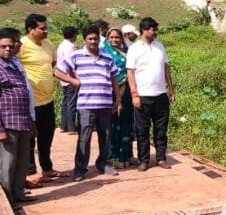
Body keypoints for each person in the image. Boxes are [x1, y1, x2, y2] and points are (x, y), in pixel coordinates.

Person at [55, 25, 121, 182]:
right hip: (86, 105)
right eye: (90, 39)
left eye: (96, 38)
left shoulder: (107, 57)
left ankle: (102, 164)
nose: (93, 41)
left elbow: (114, 78)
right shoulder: (76, 56)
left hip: (105, 104)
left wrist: (118, 99)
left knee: (106, 136)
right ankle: (80, 169)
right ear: (84, 40)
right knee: (84, 137)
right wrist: (74, 81)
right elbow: (58, 71)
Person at [19, 14, 67, 180]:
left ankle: (47, 168)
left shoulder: (48, 44)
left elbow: (52, 63)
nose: (46, 31)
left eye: (46, 27)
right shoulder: (22, 45)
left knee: (47, 135)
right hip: (29, 102)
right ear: (30, 29)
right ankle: (30, 172)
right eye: (42, 28)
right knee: (29, 138)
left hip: (47, 100)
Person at [126, 17, 174, 171]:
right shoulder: (134, 48)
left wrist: (171, 89)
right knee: (142, 130)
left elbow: (166, 68)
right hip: (143, 96)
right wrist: (134, 94)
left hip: (160, 95)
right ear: (144, 30)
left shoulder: (159, 46)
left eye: (155, 29)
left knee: (161, 130)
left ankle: (161, 158)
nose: (155, 32)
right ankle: (144, 160)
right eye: (153, 29)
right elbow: (130, 73)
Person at [0, 28, 36, 211]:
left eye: (10, 46)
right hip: (7, 123)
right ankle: (7, 201)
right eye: (3, 46)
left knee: (22, 161)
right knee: (8, 163)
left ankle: (18, 194)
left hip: (22, 121)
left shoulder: (15, 67)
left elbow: (25, 94)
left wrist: (31, 121)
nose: (8, 49)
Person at [103, 28, 134, 168]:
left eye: (117, 37)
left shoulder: (127, 51)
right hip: (110, 92)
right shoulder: (103, 52)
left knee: (126, 121)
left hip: (126, 91)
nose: (114, 40)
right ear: (107, 38)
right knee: (113, 123)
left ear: (122, 38)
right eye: (112, 37)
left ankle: (126, 154)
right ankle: (113, 156)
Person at [56, 26, 78, 134]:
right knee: (71, 102)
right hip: (69, 77)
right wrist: (73, 78)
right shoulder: (71, 46)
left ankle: (64, 125)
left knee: (66, 101)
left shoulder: (61, 45)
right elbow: (70, 63)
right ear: (74, 35)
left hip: (62, 77)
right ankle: (71, 127)